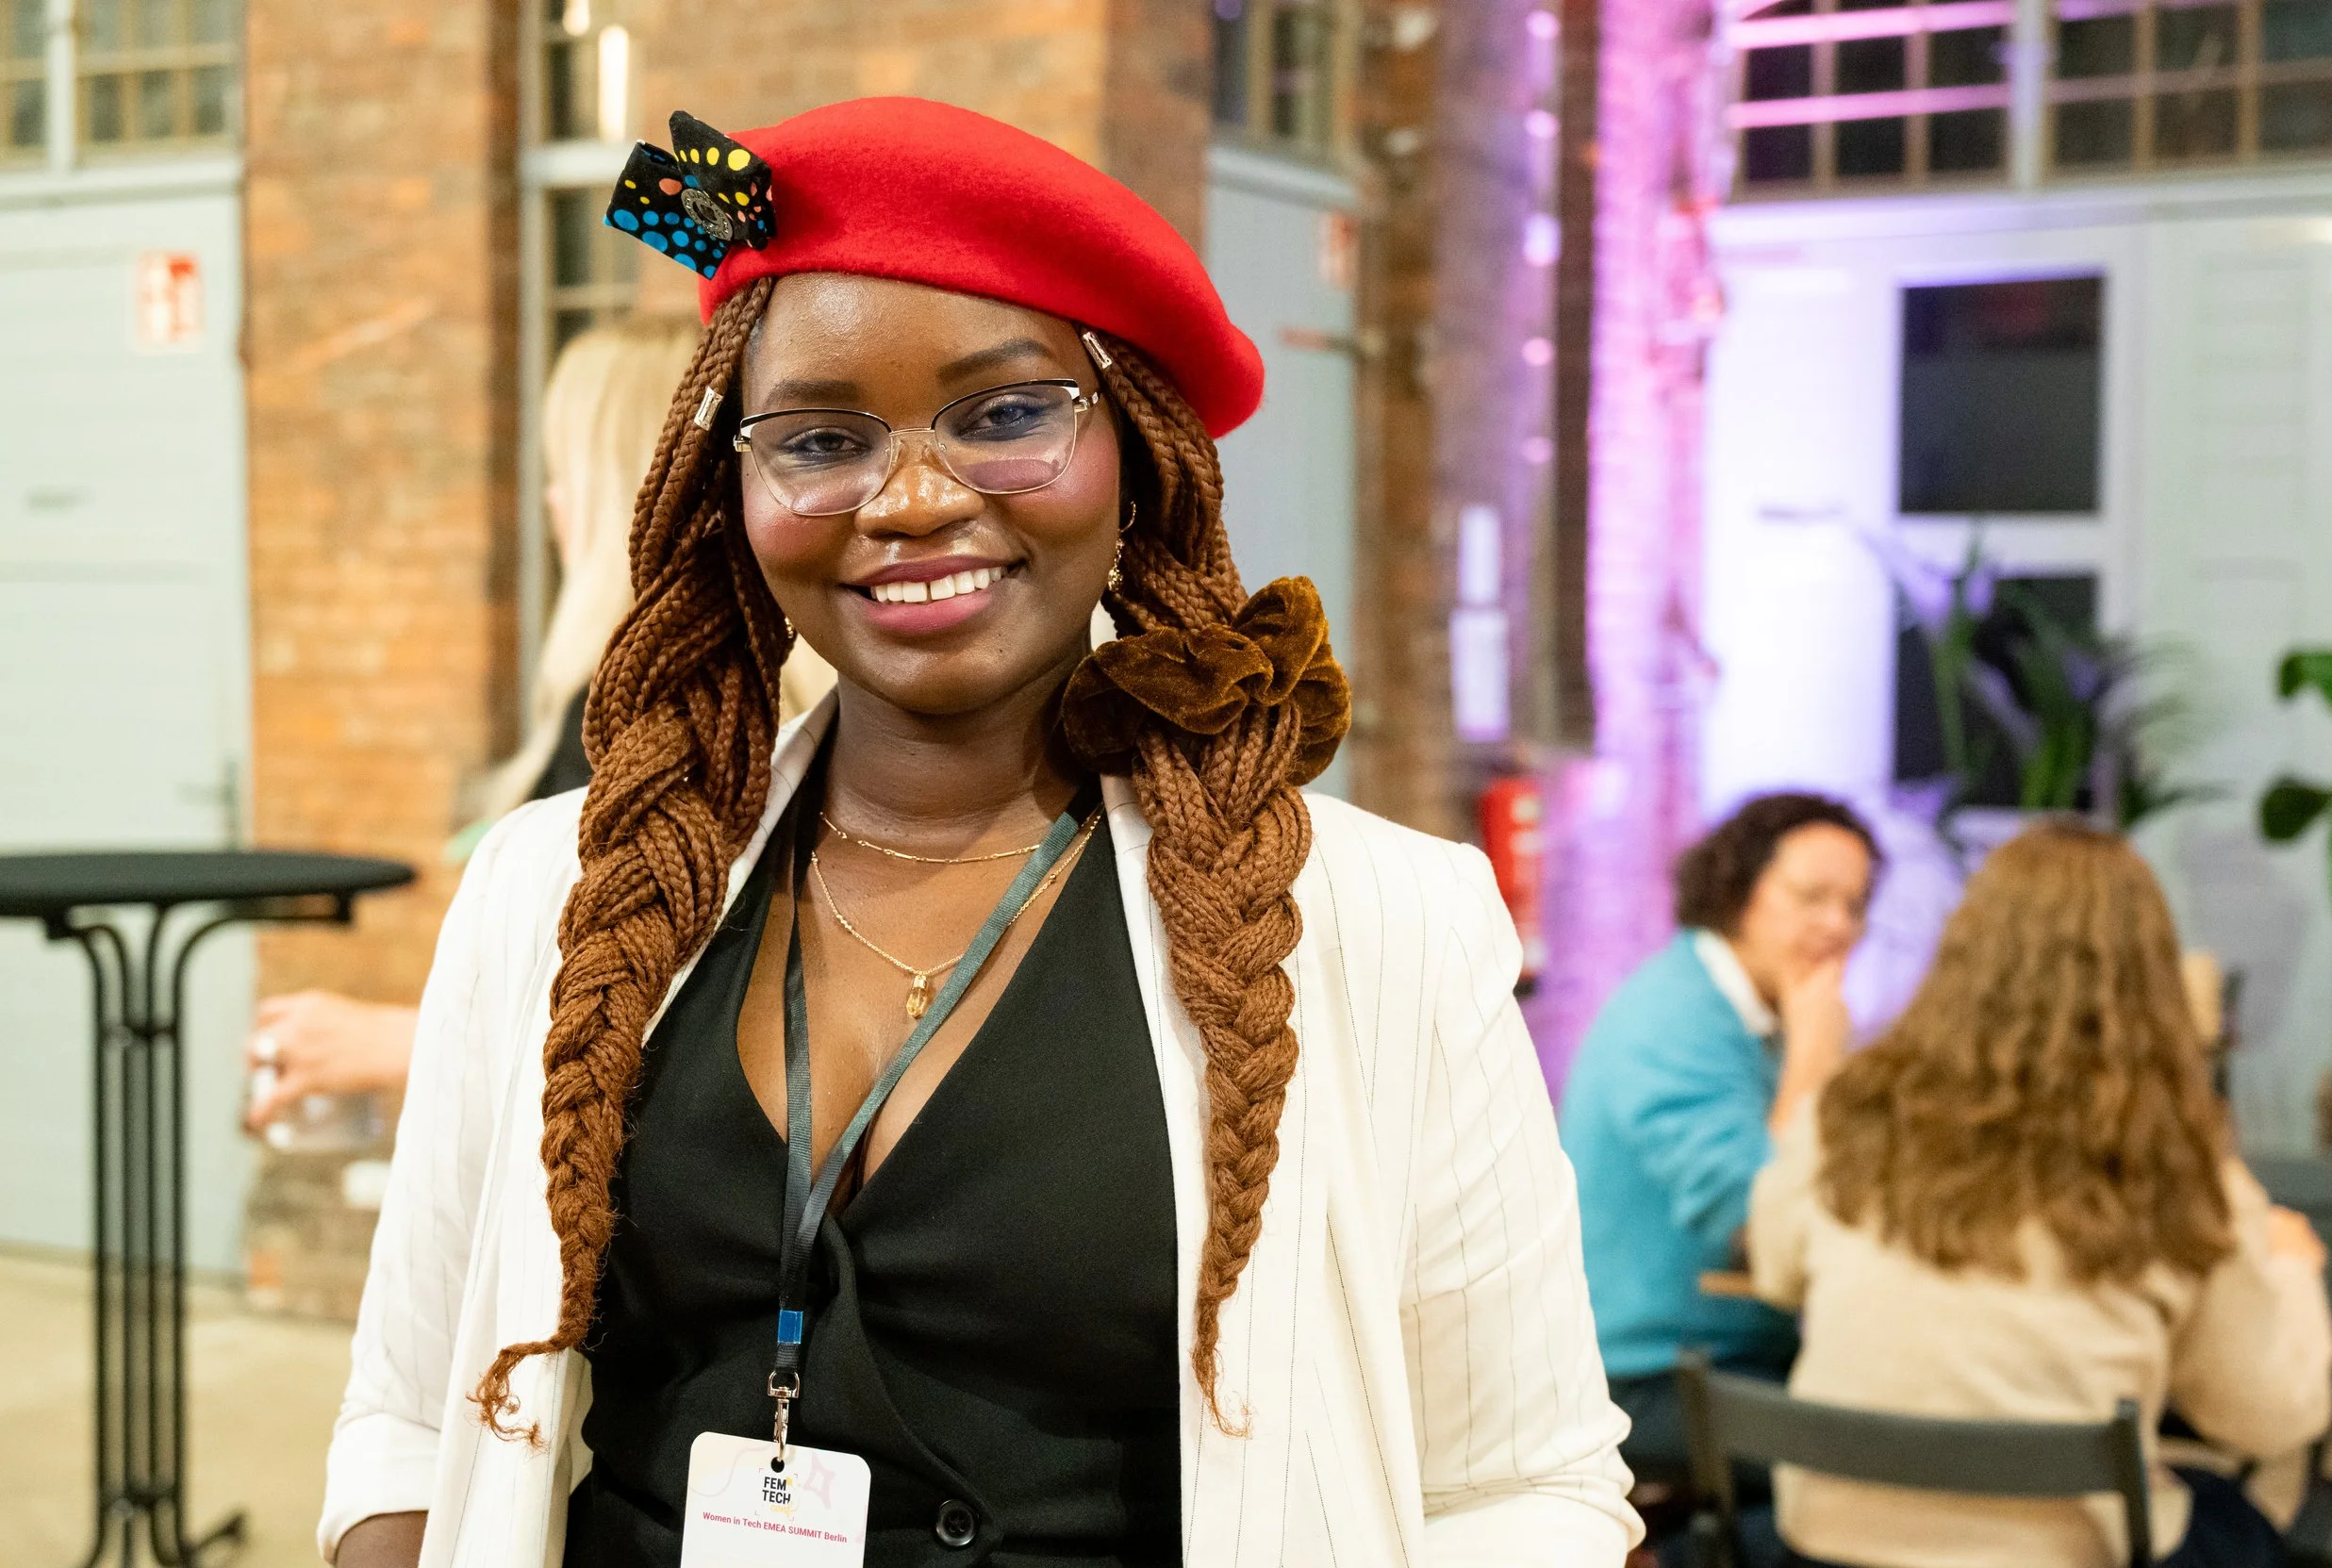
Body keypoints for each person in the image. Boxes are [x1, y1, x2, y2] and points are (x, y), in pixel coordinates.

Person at [321, 97, 1640, 1568]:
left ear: (1135, 453)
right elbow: (409, 1423)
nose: (912, 499)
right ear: (731, 490)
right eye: (822, 437)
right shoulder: (552, 887)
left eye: (1006, 414)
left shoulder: (1381, 924)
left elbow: (1524, 1487)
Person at [242, 319, 833, 1130]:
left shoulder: (648, 730)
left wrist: (393, 1043)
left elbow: (652, 1015)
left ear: (618, 491)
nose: (551, 503)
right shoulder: (791, 715)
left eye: (562, 475)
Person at [1750, 818, 2332, 1568]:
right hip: (2065, 1552)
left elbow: (1775, 1269)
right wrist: (2291, 1265)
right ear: (2150, 979)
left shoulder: (1853, 1116)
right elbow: (2270, 1414)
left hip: (1828, 1549)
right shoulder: (2174, 1166)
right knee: (2235, 1517)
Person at [1556, 792, 1879, 1476]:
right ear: (1738, 892)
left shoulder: (1753, 1011)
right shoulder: (1675, 1017)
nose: (1838, 925)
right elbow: (1758, 1218)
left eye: (1854, 905)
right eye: (1812, 897)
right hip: (1643, 1376)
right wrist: (1813, 1059)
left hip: (1735, 1356)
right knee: (1887, 1462)